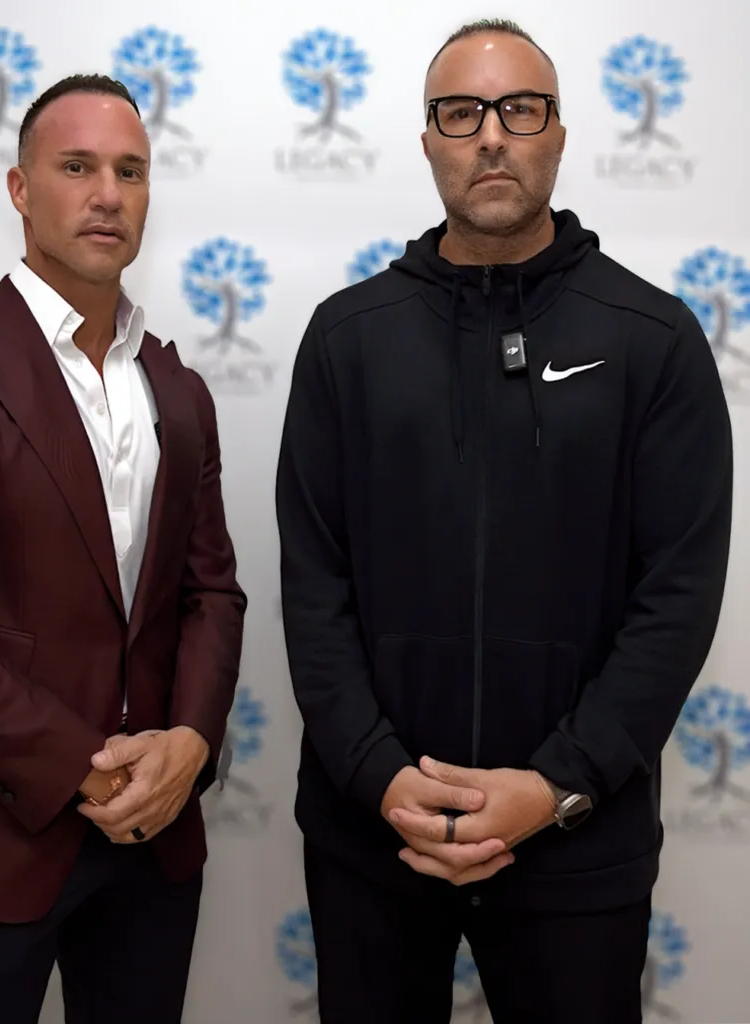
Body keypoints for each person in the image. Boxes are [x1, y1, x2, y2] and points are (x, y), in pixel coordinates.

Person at [276, 19, 732, 1024]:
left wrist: (557, 783)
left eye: (519, 110)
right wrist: (380, 774)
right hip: (375, 839)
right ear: (429, 138)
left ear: (558, 135)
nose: (491, 135)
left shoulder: (653, 339)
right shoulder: (347, 338)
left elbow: (679, 595)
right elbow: (315, 587)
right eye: (461, 112)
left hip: (579, 842)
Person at [0, 75, 245, 1024]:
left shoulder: (176, 386)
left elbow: (211, 596)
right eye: (77, 167)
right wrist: (83, 764)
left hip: (154, 837)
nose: (107, 193)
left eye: (130, 171)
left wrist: (190, 743)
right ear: (21, 189)